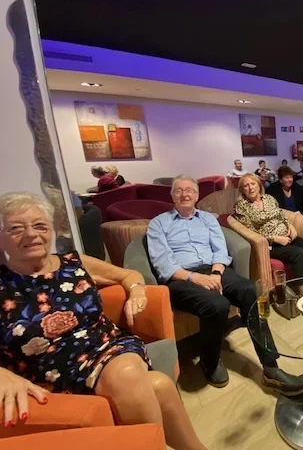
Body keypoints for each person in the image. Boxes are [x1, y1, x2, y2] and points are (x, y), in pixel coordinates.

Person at [0, 192, 206, 449]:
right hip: (52, 373)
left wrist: (137, 291)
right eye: (16, 228)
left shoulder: (73, 262)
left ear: (51, 229)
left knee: (127, 373)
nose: (31, 234)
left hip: (111, 345)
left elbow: (128, 275)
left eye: (40, 225)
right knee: (159, 385)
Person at [147, 175, 303, 393]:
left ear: (197, 195)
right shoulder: (158, 223)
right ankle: (209, 361)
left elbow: (220, 249)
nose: (185, 195)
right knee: (218, 305)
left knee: (250, 290)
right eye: (179, 191)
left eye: (190, 190)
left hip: (213, 270)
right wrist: (196, 278)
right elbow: (163, 263)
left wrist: (215, 273)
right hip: (181, 278)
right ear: (172, 195)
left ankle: (271, 367)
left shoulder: (207, 219)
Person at [234, 174, 303, 279]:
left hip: (286, 235)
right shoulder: (241, 206)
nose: (250, 188)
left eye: (253, 184)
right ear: (242, 190)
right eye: (246, 185)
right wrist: (274, 238)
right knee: (298, 253)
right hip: (268, 244)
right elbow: (250, 231)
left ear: (259, 185)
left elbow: (281, 214)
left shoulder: (269, 198)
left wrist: (290, 225)